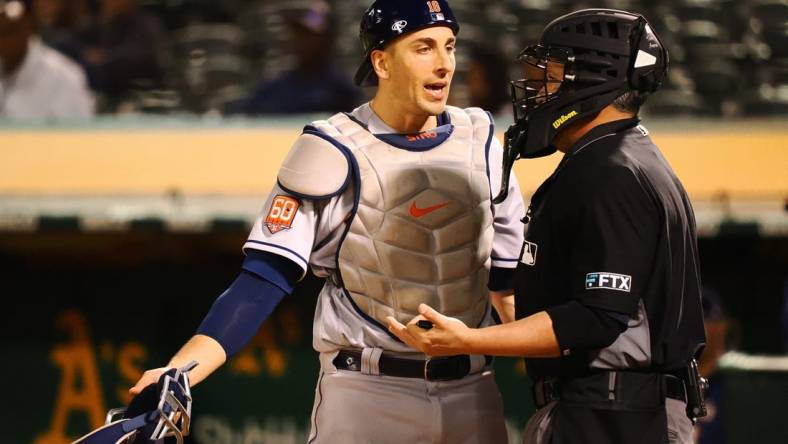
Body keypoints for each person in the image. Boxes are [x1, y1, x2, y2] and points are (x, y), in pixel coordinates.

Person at [131, 1, 524, 443]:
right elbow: (262, 279)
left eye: (449, 46)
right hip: (368, 392)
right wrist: (181, 370)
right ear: (381, 61)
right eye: (423, 48)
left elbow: (509, 286)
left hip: (472, 389)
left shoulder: (484, 140)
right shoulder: (332, 149)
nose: (444, 64)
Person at [388, 9, 707, 444]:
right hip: (613, 409)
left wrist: (469, 339)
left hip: (615, 416)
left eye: (551, 75)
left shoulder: (609, 170)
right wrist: (503, 302)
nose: (537, 91)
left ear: (592, 78)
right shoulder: (622, 155)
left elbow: (597, 317)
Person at [237, 1, 362, 115]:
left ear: (328, 39)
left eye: (308, 35)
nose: (299, 40)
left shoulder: (341, 90)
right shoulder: (275, 85)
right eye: (298, 33)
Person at [0, 0, 94, 120]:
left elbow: (81, 135)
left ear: (28, 28)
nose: (2, 41)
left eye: (8, 32)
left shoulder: (64, 76)